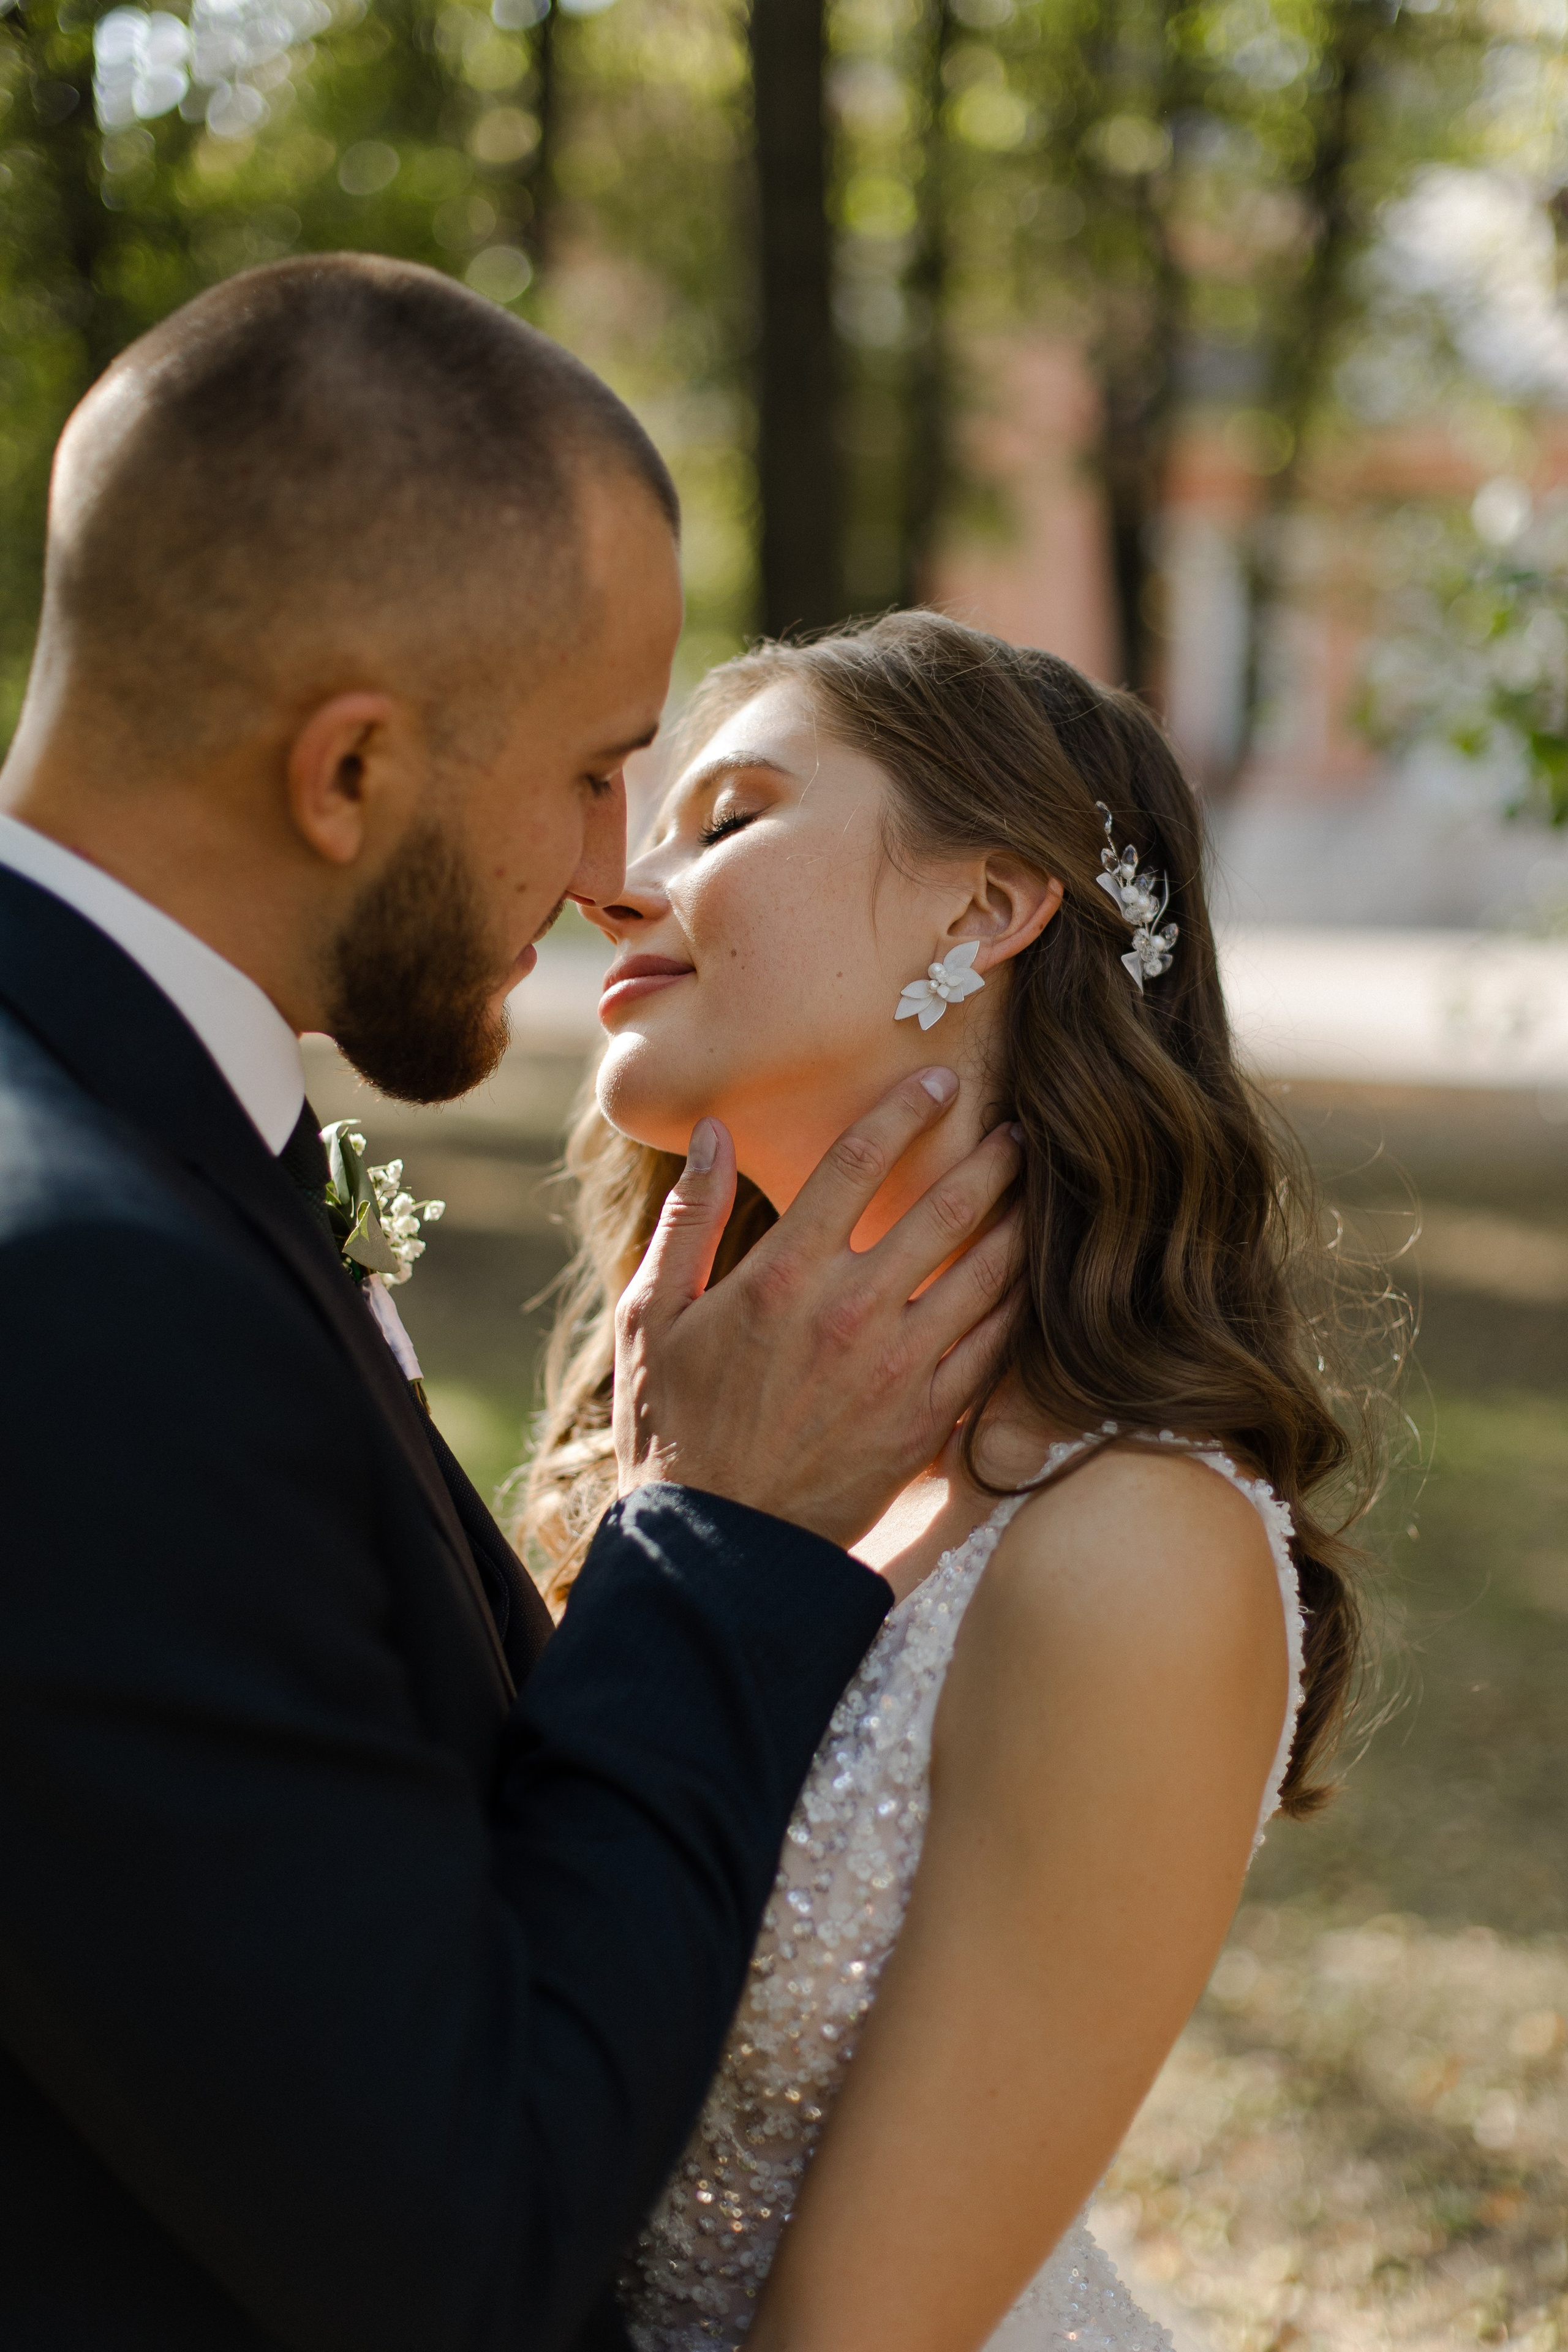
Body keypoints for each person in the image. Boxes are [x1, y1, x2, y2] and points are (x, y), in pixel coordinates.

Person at [0, 260, 1023, 2352]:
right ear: (349, 771)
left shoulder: (123, 1135)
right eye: (591, 771)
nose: (606, 871)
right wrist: (714, 1544)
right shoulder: (91, 1300)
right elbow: (447, 2246)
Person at [525, 612, 1384, 2352]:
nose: (615, 885)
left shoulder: (1133, 1549)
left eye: (731, 816)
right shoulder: (705, 1451)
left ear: (984, 911)